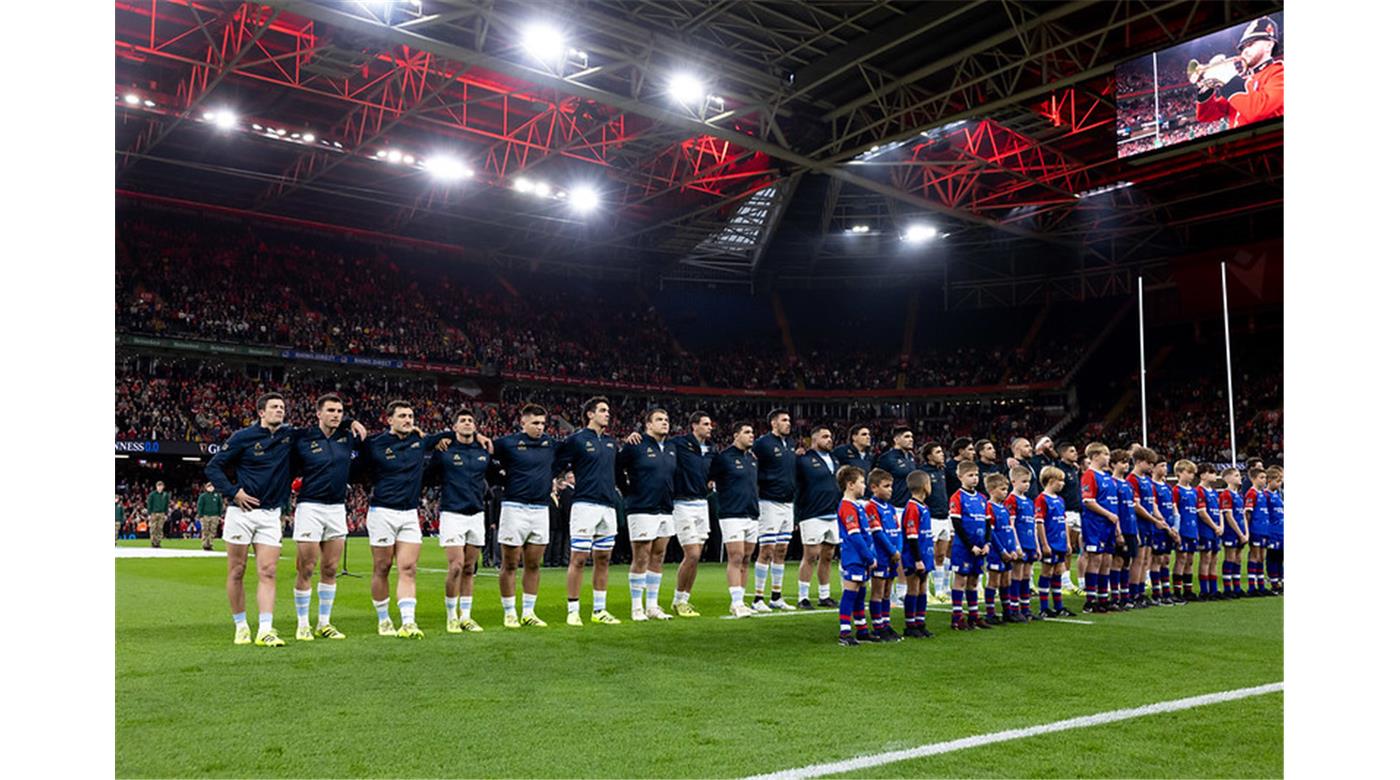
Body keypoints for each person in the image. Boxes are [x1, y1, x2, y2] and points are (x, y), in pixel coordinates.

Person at [205, 392, 296, 647]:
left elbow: (321, 429)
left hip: (270, 515)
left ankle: (266, 629)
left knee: (268, 571)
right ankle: (241, 625)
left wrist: (348, 423)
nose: (280, 410)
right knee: (237, 570)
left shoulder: (289, 436)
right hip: (241, 514)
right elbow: (213, 467)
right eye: (274, 407)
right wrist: (233, 491)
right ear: (261, 412)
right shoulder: (242, 438)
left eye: (282, 407)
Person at [357, 400, 453, 639]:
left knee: (408, 568)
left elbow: (452, 432)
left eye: (410, 416)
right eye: (402, 416)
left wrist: (479, 438)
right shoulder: (374, 444)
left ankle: (408, 622)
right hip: (382, 512)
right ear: (389, 419)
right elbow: (358, 468)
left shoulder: (419, 441)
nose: (408, 420)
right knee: (382, 567)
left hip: (410, 513)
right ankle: (384, 619)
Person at [289, 393, 366, 641]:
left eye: (339, 411)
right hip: (310, 506)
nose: (335, 414)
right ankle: (302, 624)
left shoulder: (347, 438)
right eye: (330, 410)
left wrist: (351, 421)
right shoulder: (303, 437)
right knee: (307, 567)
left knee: (331, 568)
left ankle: (324, 623)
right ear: (318, 413)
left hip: (336, 507)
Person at [554, 396, 623, 626]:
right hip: (584, 505)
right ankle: (573, 610)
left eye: (608, 410)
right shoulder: (576, 440)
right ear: (590, 414)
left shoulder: (612, 443)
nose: (607, 414)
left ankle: (599, 610)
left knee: (603, 558)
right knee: (579, 558)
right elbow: (557, 462)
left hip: (608, 506)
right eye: (603, 410)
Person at [492, 403, 557, 627]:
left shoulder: (550, 444)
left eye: (542, 424)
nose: (540, 428)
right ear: (523, 422)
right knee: (510, 564)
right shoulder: (507, 443)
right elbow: (486, 455)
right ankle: (509, 612)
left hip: (541, 509)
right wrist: (501, 480)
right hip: (514, 507)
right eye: (535, 423)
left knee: (534, 564)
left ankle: (528, 612)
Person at [431, 409, 492, 633]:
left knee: (469, 568)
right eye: (463, 421)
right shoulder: (445, 450)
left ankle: (466, 616)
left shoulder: (483, 451)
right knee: (455, 566)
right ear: (454, 427)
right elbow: (430, 475)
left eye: (470, 420)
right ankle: (451, 616)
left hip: (476, 514)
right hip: (452, 513)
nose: (467, 423)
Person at [618, 408, 678, 622]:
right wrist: (628, 491)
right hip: (641, 507)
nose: (665, 423)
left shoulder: (671, 447)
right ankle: (636, 607)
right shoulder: (635, 445)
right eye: (659, 419)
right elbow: (617, 467)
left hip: (666, 508)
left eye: (667, 419)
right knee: (641, 556)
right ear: (648, 425)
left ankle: (652, 605)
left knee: (658, 556)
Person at [1192, 16, 1283, 129]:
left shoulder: (1280, 72)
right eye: (1243, 48)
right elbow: (1206, 116)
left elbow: (1258, 111)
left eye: (1250, 44)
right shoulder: (1244, 81)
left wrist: (1229, 77)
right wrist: (1206, 89)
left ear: (1269, 45)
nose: (1245, 51)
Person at [710, 422, 760, 618]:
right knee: (736, 556)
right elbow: (710, 478)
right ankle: (736, 602)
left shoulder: (752, 459)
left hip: (752, 513)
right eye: (747, 432)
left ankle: (740, 601)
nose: (751, 435)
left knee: (747, 559)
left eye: (752, 432)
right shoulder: (724, 458)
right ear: (736, 435)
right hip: (732, 513)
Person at [669, 412, 716, 616]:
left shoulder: (711, 450)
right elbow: (658, 444)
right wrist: (637, 437)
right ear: (694, 426)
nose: (710, 427)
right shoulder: (679, 443)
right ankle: (677, 599)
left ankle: (684, 600)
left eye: (710, 424)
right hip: (682, 503)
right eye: (705, 424)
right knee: (692, 553)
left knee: (696, 557)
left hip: (702, 504)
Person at [752, 409, 798, 612]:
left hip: (788, 503)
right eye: (784, 420)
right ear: (773, 423)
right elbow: (752, 466)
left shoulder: (790, 445)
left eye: (789, 420)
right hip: (768, 502)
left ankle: (776, 597)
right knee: (767, 550)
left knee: (782, 550)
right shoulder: (762, 444)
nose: (789, 423)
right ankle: (757, 598)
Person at [795, 426, 842, 610]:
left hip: (833, 513)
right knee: (810, 555)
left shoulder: (835, 460)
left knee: (828, 555)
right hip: (812, 513)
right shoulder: (803, 460)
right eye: (825, 436)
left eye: (830, 436)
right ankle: (803, 597)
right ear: (814, 440)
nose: (829, 439)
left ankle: (825, 595)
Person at [1079, 442, 1122, 613]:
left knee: (1107, 560)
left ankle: (1103, 598)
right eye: (1106, 454)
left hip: (1109, 524)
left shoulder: (1108, 477)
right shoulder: (1089, 475)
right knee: (1095, 559)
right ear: (1095, 456)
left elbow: (1114, 505)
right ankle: (1090, 600)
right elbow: (1088, 501)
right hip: (1095, 524)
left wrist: (1116, 525)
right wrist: (1108, 515)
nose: (1108, 458)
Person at [948, 461, 990, 631]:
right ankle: (957, 617)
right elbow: (957, 524)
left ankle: (974, 615)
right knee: (961, 580)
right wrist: (970, 544)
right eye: (970, 475)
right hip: (964, 547)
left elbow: (988, 523)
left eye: (976, 475)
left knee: (974, 581)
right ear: (960, 477)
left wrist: (987, 543)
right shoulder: (957, 497)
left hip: (980, 546)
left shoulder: (982, 498)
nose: (974, 479)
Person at [835, 466, 874, 646]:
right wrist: (869, 557)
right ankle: (844, 632)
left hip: (862, 557)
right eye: (861, 482)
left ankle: (862, 630)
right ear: (850, 485)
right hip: (854, 557)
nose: (864, 486)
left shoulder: (856, 506)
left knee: (860, 592)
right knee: (850, 592)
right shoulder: (847, 507)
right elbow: (855, 536)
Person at [864, 469, 903, 642]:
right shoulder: (871, 507)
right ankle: (878, 626)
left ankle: (886, 624)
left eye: (891, 486)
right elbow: (877, 532)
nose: (890, 490)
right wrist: (892, 550)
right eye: (886, 486)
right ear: (874, 487)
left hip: (893, 555)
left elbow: (899, 531)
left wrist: (899, 550)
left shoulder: (892, 508)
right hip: (881, 555)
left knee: (888, 591)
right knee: (878, 591)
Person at [1034, 466, 1074, 618]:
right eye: (1061, 480)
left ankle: (1059, 606)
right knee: (1047, 571)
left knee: (1057, 571)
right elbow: (1040, 523)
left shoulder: (1060, 500)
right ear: (1051, 481)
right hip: (1050, 542)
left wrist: (1068, 542)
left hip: (1060, 542)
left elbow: (1063, 522)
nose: (1063, 484)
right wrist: (1044, 544)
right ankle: (1044, 607)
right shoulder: (1041, 499)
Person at [900, 469, 935, 638]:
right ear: (924, 486)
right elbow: (911, 535)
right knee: (913, 588)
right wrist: (918, 559)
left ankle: (920, 622)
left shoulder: (924, 506)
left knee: (922, 588)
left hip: (925, 553)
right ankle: (910, 624)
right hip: (915, 556)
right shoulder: (912, 507)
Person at [983, 474, 1021, 624]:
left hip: (1007, 551)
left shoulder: (1004, 509)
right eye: (1003, 489)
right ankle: (990, 614)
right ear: (992, 490)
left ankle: (1007, 612)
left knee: (1006, 581)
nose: (1006, 492)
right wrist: (1002, 551)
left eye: (1007, 489)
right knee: (994, 581)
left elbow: (1008, 531)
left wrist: (1012, 549)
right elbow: (991, 532)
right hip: (996, 551)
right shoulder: (989, 507)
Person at [918, 442, 953, 603]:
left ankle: (940, 590)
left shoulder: (942, 470)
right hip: (931, 518)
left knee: (941, 555)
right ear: (929, 456)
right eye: (938, 452)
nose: (942, 454)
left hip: (944, 516)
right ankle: (925, 591)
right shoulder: (922, 473)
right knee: (928, 555)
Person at [1007, 466, 1040, 621]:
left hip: (1030, 543)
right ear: (1013, 481)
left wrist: (1037, 545)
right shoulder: (1011, 500)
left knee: (1027, 574)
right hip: (1019, 543)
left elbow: (1032, 525)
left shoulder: (1029, 501)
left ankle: (1025, 608)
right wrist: (1017, 545)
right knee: (1017, 574)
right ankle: (1014, 608)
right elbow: (1011, 525)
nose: (1027, 485)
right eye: (1024, 481)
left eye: (1029, 482)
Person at [1152, 459, 1183, 604]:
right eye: (1162, 466)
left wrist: (1175, 528)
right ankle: (1156, 593)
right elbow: (1154, 508)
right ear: (1153, 468)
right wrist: (1166, 526)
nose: (1165, 468)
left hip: (1170, 528)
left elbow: (1174, 508)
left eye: (1166, 465)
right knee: (1156, 560)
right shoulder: (1151, 486)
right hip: (1158, 528)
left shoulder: (1168, 487)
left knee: (1166, 560)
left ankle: (1166, 592)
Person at [1109, 449, 1137, 610]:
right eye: (1122, 462)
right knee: (1117, 561)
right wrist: (1117, 530)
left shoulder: (1127, 484)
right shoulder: (1112, 483)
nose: (1125, 465)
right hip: (1120, 527)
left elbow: (1131, 508)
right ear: (1113, 464)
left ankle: (1125, 596)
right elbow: (1114, 509)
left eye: (1127, 462)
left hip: (1131, 527)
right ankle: (1115, 596)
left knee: (1127, 561)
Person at [1055, 443, 1084, 596]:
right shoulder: (1059, 469)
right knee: (1067, 548)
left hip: (1077, 511)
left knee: (1077, 547)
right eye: (1071, 451)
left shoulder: (1074, 469)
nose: (1075, 453)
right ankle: (1064, 582)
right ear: (1062, 453)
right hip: (1066, 512)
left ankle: (1080, 581)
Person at [1170, 459, 1201, 602]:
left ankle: (1188, 590)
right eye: (1188, 472)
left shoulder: (1194, 491)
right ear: (1179, 473)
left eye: (1193, 473)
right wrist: (1176, 529)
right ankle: (1177, 590)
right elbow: (1174, 510)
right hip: (1182, 529)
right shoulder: (1176, 490)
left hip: (1192, 529)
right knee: (1181, 559)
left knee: (1190, 560)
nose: (1191, 476)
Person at [1194, 463, 1225, 601]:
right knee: (1205, 558)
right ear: (1203, 475)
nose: (1214, 475)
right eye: (1211, 472)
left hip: (1216, 530)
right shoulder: (1199, 491)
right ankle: (1204, 590)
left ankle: (1214, 590)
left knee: (1214, 559)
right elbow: (1202, 513)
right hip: (1206, 529)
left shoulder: (1213, 491)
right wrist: (1215, 526)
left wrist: (1221, 526)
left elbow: (1219, 511)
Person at [1219, 467, 1249, 598]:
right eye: (1236, 475)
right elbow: (1228, 516)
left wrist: (1246, 533)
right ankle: (1227, 588)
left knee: (1238, 558)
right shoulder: (1226, 494)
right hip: (1232, 531)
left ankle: (1236, 587)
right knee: (1230, 557)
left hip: (1241, 531)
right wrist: (1240, 533)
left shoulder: (1239, 495)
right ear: (1228, 479)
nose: (1239, 478)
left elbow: (1242, 515)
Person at [1243, 466, 1270, 596]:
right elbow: (1247, 513)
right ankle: (1252, 586)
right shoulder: (1251, 493)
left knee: (1261, 557)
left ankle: (1261, 585)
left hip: (1264, 529)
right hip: (1255, 529)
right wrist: (1247, 531)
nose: (1264, 480)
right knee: (1254, 555)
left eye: (1265, 478)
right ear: (1253, 479)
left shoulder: (1264, 494)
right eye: (1261, 477)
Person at [876, 426, 917, 511]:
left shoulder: (911, 457)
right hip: (895, 507)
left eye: (911, 437)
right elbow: (877, 481)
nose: (911, 439)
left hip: (910, 506)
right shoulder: (887, 458)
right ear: (896, 440)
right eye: (907, 437)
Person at [1264, 465, 1284, 594]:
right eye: (1278, 480)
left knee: (1281, 557)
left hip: (1281, 531)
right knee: (1273, 557)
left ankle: (1282, 582)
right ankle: (1274, 583)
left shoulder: (1278, 495)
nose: (1280, 483)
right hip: (1271, 532)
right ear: (1269, 480)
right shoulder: (1265, 495)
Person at [196, 482, 224, 552]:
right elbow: (200, 505)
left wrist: (219, 515)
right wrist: (200, 515)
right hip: (205, 515)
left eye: (212, 486)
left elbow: (220, 506)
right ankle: (205, 544)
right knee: (205, 530)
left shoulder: (217, 496)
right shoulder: (203, 496)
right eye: (209, 486)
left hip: (215, 515)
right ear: (206, 487)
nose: (211, 488)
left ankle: (210, 544)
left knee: (213, 530)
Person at [146, 480, 171, 549]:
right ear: (156, 487)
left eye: (161, 486)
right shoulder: (152, 495)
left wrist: (166, 514)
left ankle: (158, 542)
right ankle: (153, 542)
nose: (160, 487)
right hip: (154, 513)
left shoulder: (165, 495)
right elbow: (149, 504)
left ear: (163, 487)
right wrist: (149, 514)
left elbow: (166, 505)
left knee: (160, 528)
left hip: (162, 513)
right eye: (158, 486)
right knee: (153, 528)